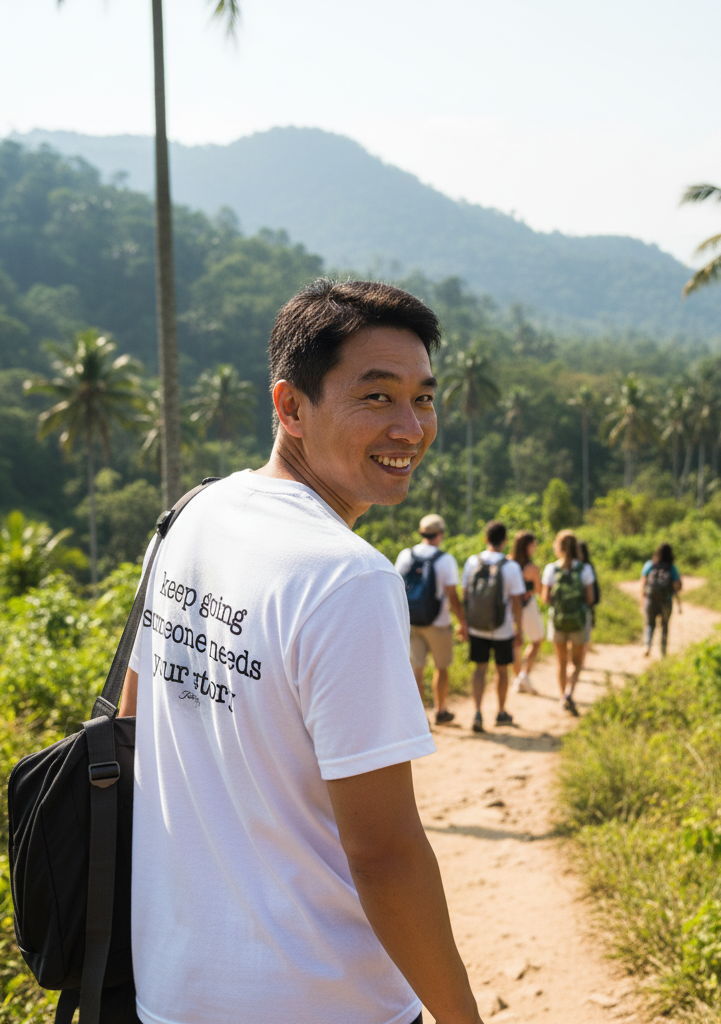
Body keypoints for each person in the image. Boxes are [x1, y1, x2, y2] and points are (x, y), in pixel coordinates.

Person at [117, 279, 482, 1024]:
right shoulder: (344, 577)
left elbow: (132, 727)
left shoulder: (194, 514)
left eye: (424, 397)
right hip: (321, 1000)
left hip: (170, 992)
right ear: (290, 406)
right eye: (376, 397)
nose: (410, 427)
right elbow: (384, 854)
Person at [395, 513, 468, 725]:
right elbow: (453, 597)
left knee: (417, 669)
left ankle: (420, 718)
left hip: (412, 621)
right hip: (438, 622)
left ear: (421, 532)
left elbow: (397, 587)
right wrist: (462, 622)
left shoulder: (405, 555)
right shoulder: (445, 560)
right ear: (441, 534)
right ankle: (441, 709)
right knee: (441, 667)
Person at [461, 520, 525, 732]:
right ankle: (501, 712)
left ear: (486, 539)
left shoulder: (472, 561)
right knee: (502, 670)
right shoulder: (511, 566)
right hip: (502, 628)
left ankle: (478, 712)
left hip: (477, 626)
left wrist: (465, 623)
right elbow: (516, 603)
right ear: (505, 541)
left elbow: (466, 595)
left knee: (480, 669)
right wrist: (519, 629)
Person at [541, 529, 595, 717]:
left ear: (558, 547)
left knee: (561, 661)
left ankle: (562, 697)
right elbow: (590, 599)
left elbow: (545, 598)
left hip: (558, 621)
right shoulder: (585, 569)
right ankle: (570, 693)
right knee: (577, 661)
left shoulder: (550, 569)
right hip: (579, 621)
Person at [509, 530, 544, 694]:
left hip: (509, 607)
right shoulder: (532, 568)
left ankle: (519, 679)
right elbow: (538, 589)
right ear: (528, 546)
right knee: (536, 640)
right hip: (528, 607)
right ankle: (523, 675)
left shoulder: (507, 563)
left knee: (515, 645)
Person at [640, 542, 683, 658]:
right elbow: (676, 586)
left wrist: (642, 600)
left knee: (649, 624)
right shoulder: (672, 567)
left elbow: (643, 583)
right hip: (666, 601)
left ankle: (647, 646)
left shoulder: (650, 564)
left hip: (651, 599)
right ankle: (663, 652)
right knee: (664, 626)